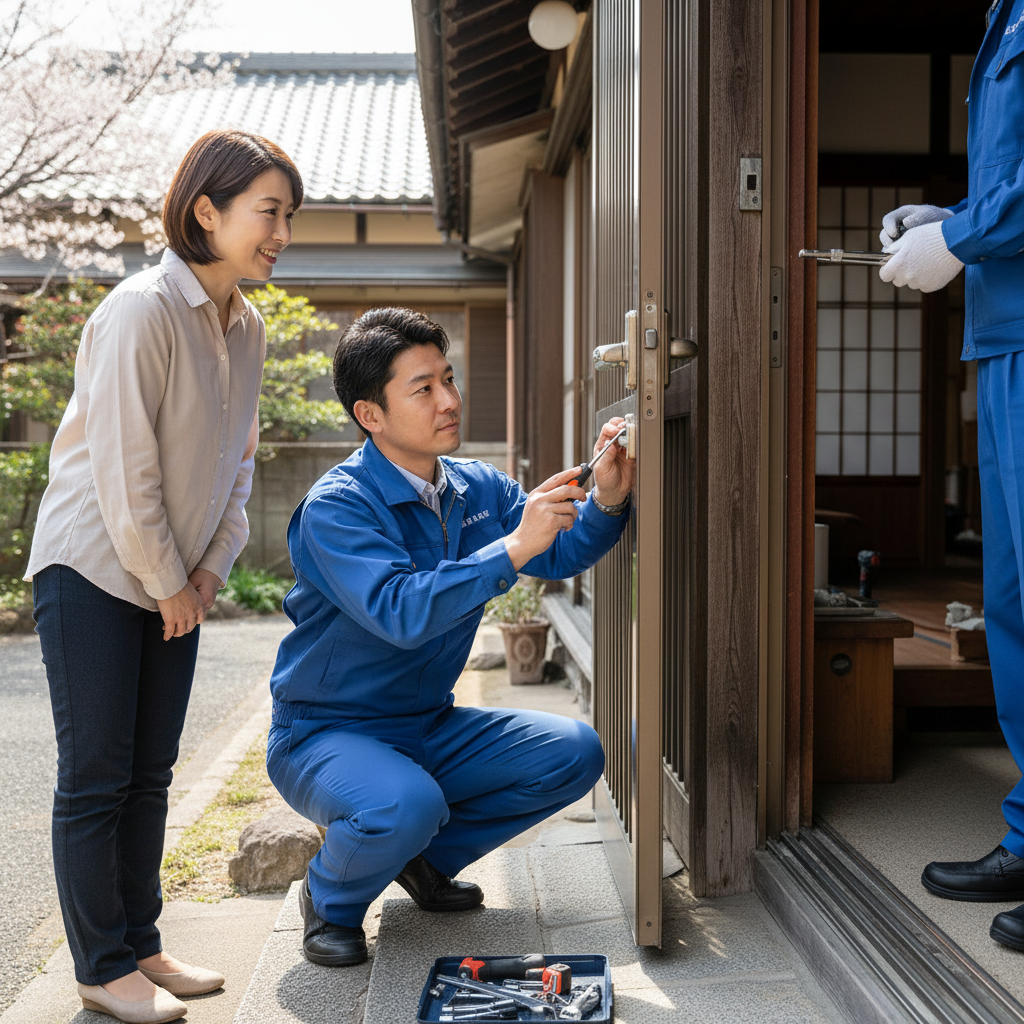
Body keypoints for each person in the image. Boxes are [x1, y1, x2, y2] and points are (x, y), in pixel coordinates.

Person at [26, 129, 301, 1023]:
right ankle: (100, 968)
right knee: (98, 775)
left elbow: (239, 462)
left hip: (175, 575)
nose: (281, 234)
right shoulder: (140, 310)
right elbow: (123, 469)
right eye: (269, 213)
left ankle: (140, 945)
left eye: (287, 216)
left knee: (151, 772)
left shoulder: (246, 325)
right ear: (206, 212)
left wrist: (211, 571)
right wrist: (169, 580)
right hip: (96, 568)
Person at [266, 307, 633, 967]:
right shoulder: (337, 508)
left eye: (449, 378)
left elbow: (555, 552)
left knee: (574, 751)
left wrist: (605, 499)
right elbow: (398, 611)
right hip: (326, 734)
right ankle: (330, 898)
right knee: (405, 801)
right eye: (424, 388)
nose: (450, 401)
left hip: (427, 725)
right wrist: (514, 544)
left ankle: (419, 861)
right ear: (370, 415)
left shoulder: (474, 489)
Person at [877, 0, 1024, 953]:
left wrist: (965, 236)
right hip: (1006, 337)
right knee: (1011, 604)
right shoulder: (1004, 16)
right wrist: (958, 218)